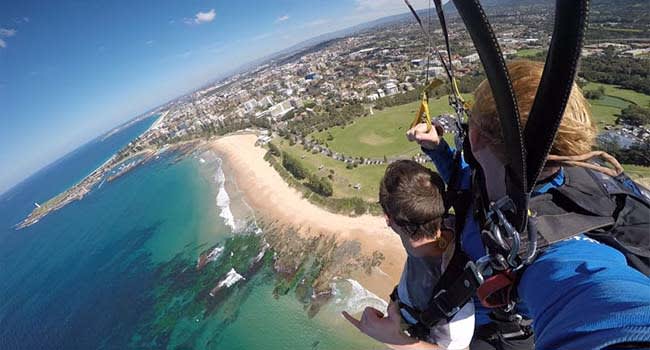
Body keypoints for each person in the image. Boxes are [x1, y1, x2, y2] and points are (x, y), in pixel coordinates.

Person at [407, 60, 650, 349]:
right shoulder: (498, 175)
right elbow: (466, 182)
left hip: (494, 333)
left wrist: (406, 344)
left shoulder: (549, 242)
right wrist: (437, 148)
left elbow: (601, 303)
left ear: (474, 137)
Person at [343, 160, 475, 350]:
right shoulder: (450, 226)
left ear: (388, 219)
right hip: (409, 315)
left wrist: (393, 340)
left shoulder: (453, 291)